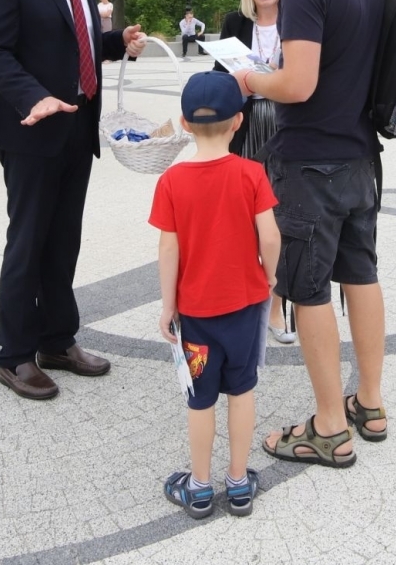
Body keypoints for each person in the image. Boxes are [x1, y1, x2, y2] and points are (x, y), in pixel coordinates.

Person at [229, 0, 386, 469]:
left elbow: (297, 83)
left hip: (309, 157)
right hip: (360, 154)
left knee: (310, 288)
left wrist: (250, 80)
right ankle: (369, 403)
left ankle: (327, 427)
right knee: (362, 274)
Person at [0, 0, 147, 401]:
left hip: (77, 125)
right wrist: (33, 97)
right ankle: (16, 355)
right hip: (30, 129)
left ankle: (56, 340)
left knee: (64, 238)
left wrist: (117, 42)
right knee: (28, 240)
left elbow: (78, 42)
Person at [153, 72, 282, 519]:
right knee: (242, 391)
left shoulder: (171, 182)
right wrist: (269, 277)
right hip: (245, 308)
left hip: (196, 314)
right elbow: (270, 234)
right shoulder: (251, 173)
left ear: (185, 124)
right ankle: (239, 482)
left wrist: (168, 305)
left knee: (200, 398)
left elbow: (168, 248)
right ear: (239, 122)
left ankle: (201, 487)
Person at [213, 0, 296, 344]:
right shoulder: (235, 24)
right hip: (245, 128)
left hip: (288, 127)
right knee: (243, 218)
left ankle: (276, 307)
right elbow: (218, 79)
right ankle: (243, 302)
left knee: (280, 220)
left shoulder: (300, 18)